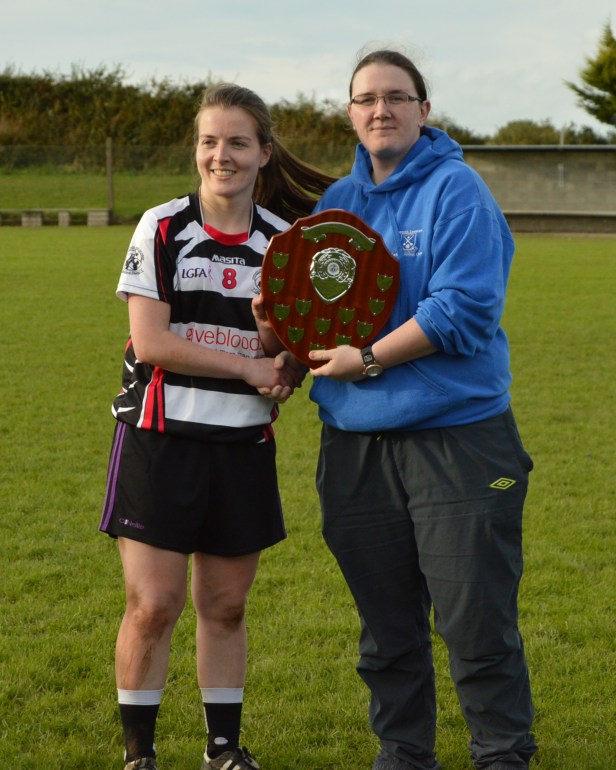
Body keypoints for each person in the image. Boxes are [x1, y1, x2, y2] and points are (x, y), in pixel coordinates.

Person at [306, 49, 537, 770]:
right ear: (350, 113)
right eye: (367, 98)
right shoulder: (335, 206)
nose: (382, 109)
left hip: (457, 442)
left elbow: (463, 310)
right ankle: (403, 754)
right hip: (355, 445)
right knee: (386, 627)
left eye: (397, 97)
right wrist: (277, 324)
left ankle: (502, 754)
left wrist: (368, 359)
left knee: (476, 624)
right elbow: (316, 314)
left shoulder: (458, 191)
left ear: (424, 110)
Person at [99, 82, 334, 770]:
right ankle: (140, 755)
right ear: (197, 151)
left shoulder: (285, 242)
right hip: (158, 439)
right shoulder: (163, 227)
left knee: (226, 607)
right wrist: (250, 369)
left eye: (236, 142)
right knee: (153, 605)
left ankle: (223, 750)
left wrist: (281, 354)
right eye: (209, 142)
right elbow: (151, 343)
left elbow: (287, 353)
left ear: (264, 153)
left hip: (241, 446)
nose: (220, 155)